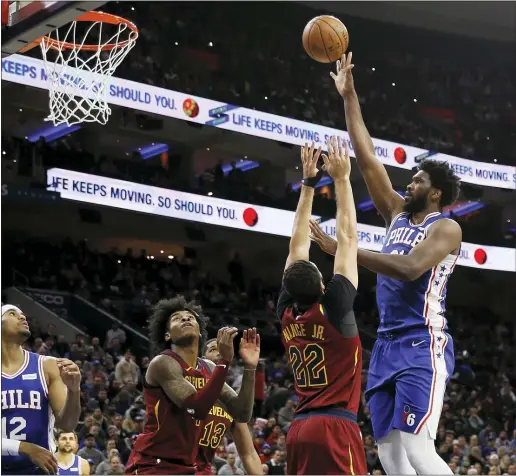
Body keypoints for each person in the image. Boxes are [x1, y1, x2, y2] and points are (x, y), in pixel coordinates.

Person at [310, 52, 462, 475]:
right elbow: (367, 157)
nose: (408, 183)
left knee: (418, 450)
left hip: (422, 341)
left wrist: (344, 251)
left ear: (435, 194)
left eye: (417, 180)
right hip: (387, 345)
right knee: (391, 457)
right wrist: (349, 97)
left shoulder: (446, 228)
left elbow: (412, 268)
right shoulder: (396, 213)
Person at [277, 139, 366, 475]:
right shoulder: (336, 308)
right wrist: (341, 180)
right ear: (320, 285)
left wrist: (309, 184)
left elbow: (296, 245)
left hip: (299, 429)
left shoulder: (287, 314)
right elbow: (347, 240)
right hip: (334, 425)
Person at [125, 297, 260, 475]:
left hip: (187, 467)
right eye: (176, 318)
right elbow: (196, 408)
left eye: (190, 317)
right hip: (152, 465)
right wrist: (225, 362)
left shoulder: (209, 368)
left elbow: (242, 413)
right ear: (167, 335)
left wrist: (250, 367)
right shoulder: (163, 362)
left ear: (200, 332)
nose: (185, 319)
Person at [1, 305, 81, 475]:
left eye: (23, 314)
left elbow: (67, 425)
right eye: (12, 314)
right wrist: (26, 448)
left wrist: (74, 391)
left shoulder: (47, 366)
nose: (22, 317)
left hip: (40, 470)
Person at [196, 339, 263, 475]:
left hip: (203, 470)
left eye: (222, 350)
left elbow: (248, 453)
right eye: (213, 349)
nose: (219, 354)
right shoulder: (189, 384)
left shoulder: (233, 402)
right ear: (202, 360)